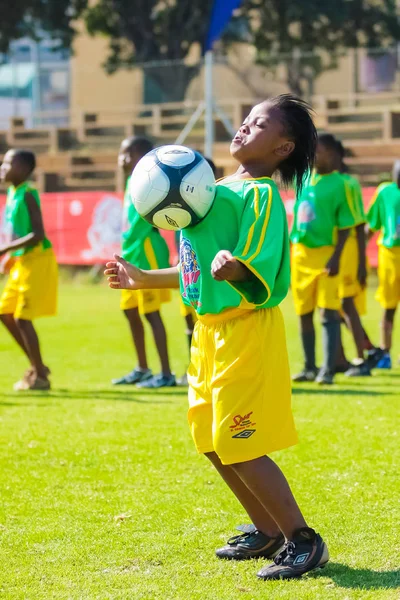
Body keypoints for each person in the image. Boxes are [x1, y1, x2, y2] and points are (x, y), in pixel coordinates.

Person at [105, 95, 329, 581]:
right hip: (206, 334)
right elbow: (194, 271)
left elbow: (260, 273)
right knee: (210, 441)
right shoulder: (207, 190)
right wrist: (143, 277)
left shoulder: (261, 197)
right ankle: (266, 529)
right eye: (245, 120)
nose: (244, 127)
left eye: (258, 124)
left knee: (239, 440)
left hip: (244, 330)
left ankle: (303, 540)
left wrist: (237, 270)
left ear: (283, 147)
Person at [291, 134, 360, 385]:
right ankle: (309, 366)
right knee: (303, 313)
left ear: (331, 154)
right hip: (300, 255)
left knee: (328, 313)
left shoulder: (341, 184)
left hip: (326, 256)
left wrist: (336, 257)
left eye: (318, 152)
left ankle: (328, 370)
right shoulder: (305, 178)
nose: (313, 157)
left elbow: (346, 227)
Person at [112, 136, 176, 388]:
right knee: (128, 309)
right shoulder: (131, 181)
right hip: (131, 251)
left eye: (127, 152)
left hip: (147, 249)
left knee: (151, 312)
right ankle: (142, 368)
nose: (122, 158)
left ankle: (166, 374)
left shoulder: (149, 180)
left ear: (140, 154)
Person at [0, 149, 58, 391]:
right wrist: (10, 256)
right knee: (5, 312)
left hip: (37, 260)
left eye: (8, 164)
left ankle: (40, 377)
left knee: (23, 318)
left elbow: (38, 235)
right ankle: (38, 366)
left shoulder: (28, 194)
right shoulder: (13, 193)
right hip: (21, 262)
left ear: (24, 168)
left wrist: (5, 249)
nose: (3, 168)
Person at [330, 136, 377, 377]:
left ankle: (362, 359)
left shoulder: (348, 183)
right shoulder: (316, 182)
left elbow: (359, 225)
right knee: (331, 308)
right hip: (328, 253)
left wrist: (360, 261)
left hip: (346, 252)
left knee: (346, 304)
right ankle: (340, 358)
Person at [176, 157, 217, 386]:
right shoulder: (180, 204)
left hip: (210, 277)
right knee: (189, 323)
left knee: (207, 319)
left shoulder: (213, 205)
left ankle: (210, 368)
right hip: (188, 271)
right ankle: (196, 366)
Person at [366, 160, 400, 369]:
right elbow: (372, 225)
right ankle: (385, 353)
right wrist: (358, 251)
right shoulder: (385, 192)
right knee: (389, 308)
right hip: (390, 256)